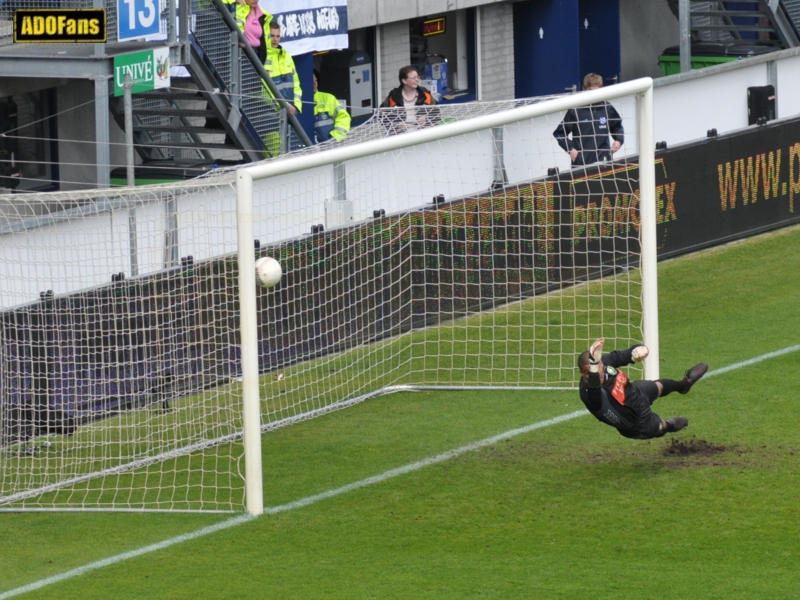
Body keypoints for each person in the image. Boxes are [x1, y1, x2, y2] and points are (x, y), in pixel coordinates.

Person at [578, 338, 708, 440]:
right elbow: (595, 391)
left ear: (601, 363)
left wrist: (637, 350)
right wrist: (593, 367)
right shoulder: (587, 392)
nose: (593, 374)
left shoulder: (604, 361)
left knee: (660, 385)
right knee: (661, 426)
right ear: (582, 373)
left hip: (637, 392)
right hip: (637, 422)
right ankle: (669, 425)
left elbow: (624, 355)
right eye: (587, 372)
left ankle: (684, 385)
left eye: (595, 368)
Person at [553, 73, 624, 166]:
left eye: (597, 91)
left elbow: (617, 126)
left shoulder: (606, 107)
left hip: (604, 161)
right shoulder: (576, 110)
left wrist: (619, 140)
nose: (593, 95)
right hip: (581, 163)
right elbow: (559, 133)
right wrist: (571, 150)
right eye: (590, 90)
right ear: (584, 89)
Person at [380, 65, 438, 132]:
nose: (417, 80)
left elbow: (437, 113)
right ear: (404, 81)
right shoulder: (393, 97)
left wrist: (426, 119)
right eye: (413, 78)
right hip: (401, 138)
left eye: (417, 77)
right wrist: (397, 125)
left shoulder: (425, 95)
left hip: (423, 136)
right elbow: (382, 116)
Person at [265, 21, 302, 116]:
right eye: (272, 36)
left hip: (291, 112)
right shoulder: (263, 56)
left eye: (277, 36)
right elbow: (262, 88)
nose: (275, 39)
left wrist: (296, 106)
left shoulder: (287, 56)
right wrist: (282, 104)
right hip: (269, 112)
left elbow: (296, 84)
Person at [313, 70, 351, 143]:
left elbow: (344, 117)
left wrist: (336, 136)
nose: (314, 83)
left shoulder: (328, 98)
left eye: (316, 80)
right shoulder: (298, 102)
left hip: (330, 147)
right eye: (310, 80)